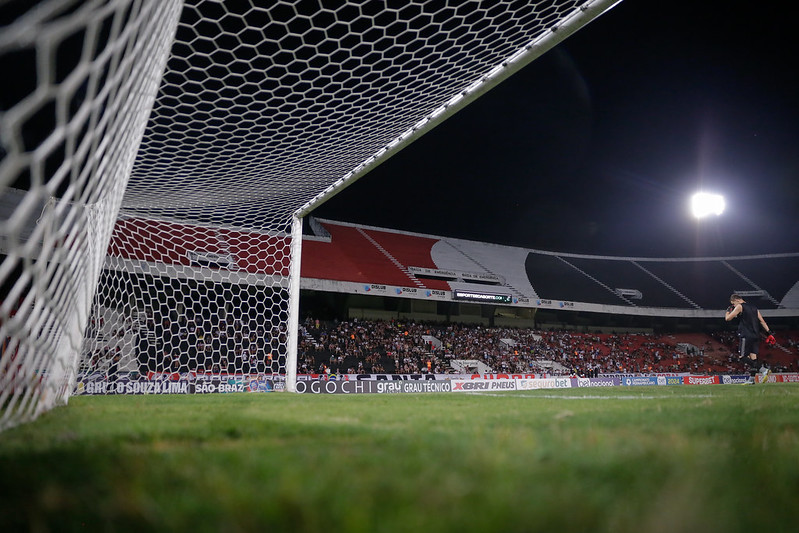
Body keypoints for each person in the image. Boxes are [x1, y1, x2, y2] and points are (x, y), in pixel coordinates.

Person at [725, 293, 776, 383]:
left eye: (733, 303)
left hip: (745, 335)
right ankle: (752, 380)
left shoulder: (740, 306)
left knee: (742, 357)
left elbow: (728, 319)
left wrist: (728, 311)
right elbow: (762, 321)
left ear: (736, 300)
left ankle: (763, 370)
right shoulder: (754, 307)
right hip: (756, 335)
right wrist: (769, 333)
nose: (733, 305)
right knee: (753, 358)